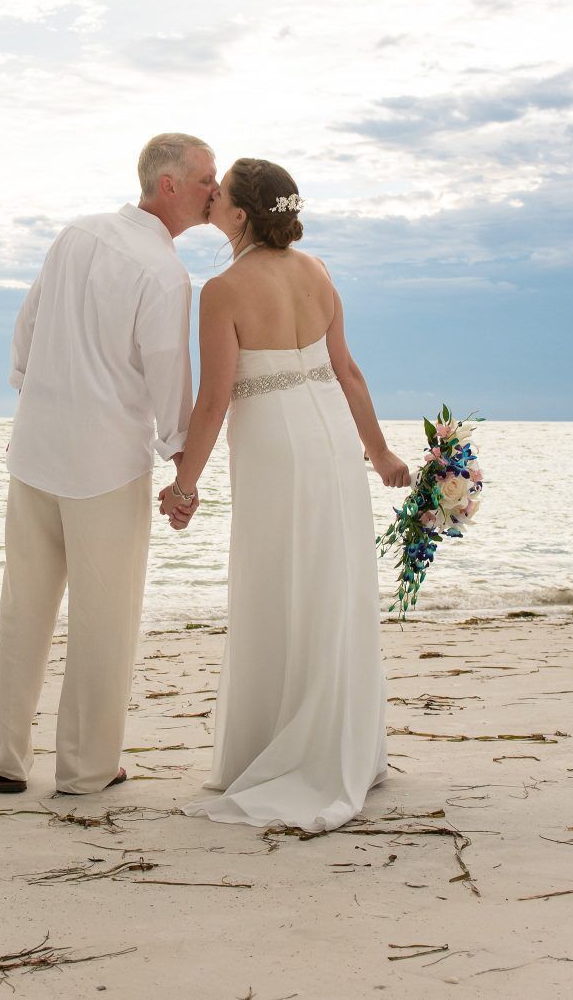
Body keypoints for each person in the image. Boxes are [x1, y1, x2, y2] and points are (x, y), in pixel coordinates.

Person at [161, 157, 412, 831]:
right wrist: (380, 453)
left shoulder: (223, 290)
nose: (210, 197)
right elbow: (348, 371)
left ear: (240, 214)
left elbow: (214, 401)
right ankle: (343, 743)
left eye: (221, 194)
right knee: (331, 580)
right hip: (331, 438)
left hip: (274, 443)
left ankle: (282, 748)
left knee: (277, 581)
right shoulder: (319, 271)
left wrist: (185, 486)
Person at [0, 133, 219, 795]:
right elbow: (169, 375)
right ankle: (85, 769)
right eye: (205, 180)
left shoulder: (75, 235)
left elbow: (26, 328)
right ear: (167, 185)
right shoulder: (165, 274)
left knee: (24, 606)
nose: (214, 192)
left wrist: (38, 392)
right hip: (105, 466)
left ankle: (4, 757)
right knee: (103, 619)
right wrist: (181, 460)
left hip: (35, 450)